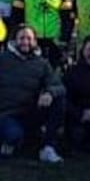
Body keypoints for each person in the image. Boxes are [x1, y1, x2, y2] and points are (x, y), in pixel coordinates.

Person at [0, 25, 66, 162]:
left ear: (35, 41)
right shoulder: (3, 60)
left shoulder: (42, 63)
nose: (25, 42)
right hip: (7, 114)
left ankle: (48, 148)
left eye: (29, 38)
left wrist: (49, 93)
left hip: (31, 112)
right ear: (14, 40)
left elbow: (58, 85)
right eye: (21, 38)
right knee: (14, 135)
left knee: (59, 99)